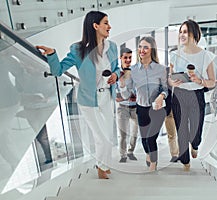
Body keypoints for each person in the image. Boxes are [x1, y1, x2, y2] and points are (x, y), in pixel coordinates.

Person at [36, 11, 120, 179]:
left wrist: (116, 75)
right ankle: (101, 167)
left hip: (107, 97)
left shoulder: (113, 47)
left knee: (109, 136)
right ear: (95, 26)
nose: (109, 26)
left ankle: (104, 164)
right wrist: (52, 54)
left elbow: (117, 68)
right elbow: (58, 71)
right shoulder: (78, 50)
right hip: (89, 100)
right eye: (105, 23)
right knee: (101, 137)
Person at [169, 19, 216, 171]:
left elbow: (213, 82)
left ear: (194, 34)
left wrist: (200, 80)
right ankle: (185, 161)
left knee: (196, 131)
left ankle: (195, 145)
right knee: (181, 130)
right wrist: (172, 82)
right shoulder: (175, 55)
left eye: (186, 31)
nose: (182, 35)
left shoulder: (206, 56)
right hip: (179, 95)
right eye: (181, 32)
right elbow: (169, 78)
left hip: (197, 95)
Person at [120, 36, 168, 172]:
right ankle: (148, 153)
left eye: (146, 47)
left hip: (157, 109)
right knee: (144, 139)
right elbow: (126, 94)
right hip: (141, 109)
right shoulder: (133, 70)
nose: (142, 50)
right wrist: (123, 83)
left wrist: (161, 96)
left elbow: (165, 89)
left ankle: (153, 165)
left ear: (152, 49)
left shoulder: (161, 69)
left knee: (151, 139)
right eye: (140, 47)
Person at [116, 47, 139, 163]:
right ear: (120, 58)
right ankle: (123, 155)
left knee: (134, 133)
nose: (128, 60)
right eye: (125, 57)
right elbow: (116, 92)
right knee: (123, 134)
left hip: (135, 107)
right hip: (122, 107)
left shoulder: (135, 72)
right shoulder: (116, 73)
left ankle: (131, 151)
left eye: (130, 57)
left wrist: (126, 92)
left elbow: (136, 91)